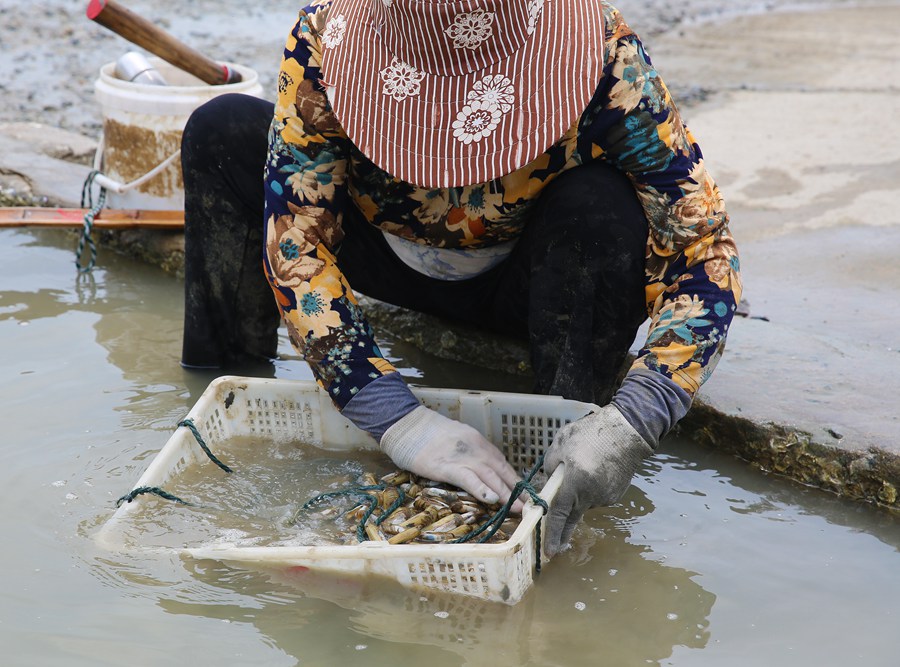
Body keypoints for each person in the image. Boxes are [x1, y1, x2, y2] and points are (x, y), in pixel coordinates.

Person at [180, 0, 742, 557]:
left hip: (534, 278)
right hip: (386, 256)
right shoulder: (325, 39)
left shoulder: (603, 56)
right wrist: (395, 419)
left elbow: (703, 246)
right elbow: (297, 239)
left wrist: (636, 417)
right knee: (222, 129)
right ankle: (226, 407)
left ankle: (563, 455)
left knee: (603, 204)